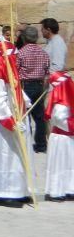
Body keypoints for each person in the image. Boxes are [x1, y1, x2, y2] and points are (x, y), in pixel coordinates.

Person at [0, 42, 34, 206]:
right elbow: (0, 104)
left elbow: (17, 91)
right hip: (4, 125)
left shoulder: (12, 77)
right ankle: (4, 191)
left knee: (18, 156)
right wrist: (10, 123)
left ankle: (20, 189)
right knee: (5, 157)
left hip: (18, 118)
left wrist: (26, 101)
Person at [16, 25, 49, 153]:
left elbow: (16, 69)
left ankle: (27, 144)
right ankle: (41, 144)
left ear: (24, 38)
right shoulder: (43, 52)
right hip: (39, 86)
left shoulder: (22, 52)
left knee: (25, 115)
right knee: (39, 117)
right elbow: (47, 71)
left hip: (26, 85)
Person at [44, 71, 74, 201]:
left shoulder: (67, 100)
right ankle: (56, 191)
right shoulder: (61, 103)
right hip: (61, 138)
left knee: (69, 163)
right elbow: (58, 119)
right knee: (59, 164)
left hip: (68, 138)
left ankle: (69, 188)